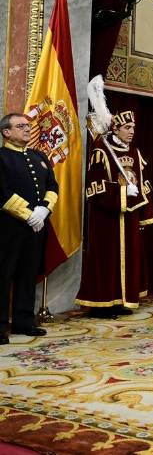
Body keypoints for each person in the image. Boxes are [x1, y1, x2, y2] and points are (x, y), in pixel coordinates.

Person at [76, 110, 153, 317]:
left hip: (130, 216)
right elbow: (94, 187)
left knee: (129, 259)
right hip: (107, 219)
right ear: (116, 129)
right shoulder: (101, 151)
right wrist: (121, 192)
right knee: (107, 260)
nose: (132, 132)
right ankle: (101, 305)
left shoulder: (135, 152)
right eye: (127, 128)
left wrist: (145, 212)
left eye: (133, 128)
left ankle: (121, 301)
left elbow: (143, 183)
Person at [0, 113, 58, 342]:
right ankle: (0, 327)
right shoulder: (1, 157)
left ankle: (23, 322)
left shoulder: (38, 156)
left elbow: (52, 186)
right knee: (3, 276)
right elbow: (2, 192)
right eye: (21, 126)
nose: (27, 129)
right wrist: (29, 214)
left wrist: (44, 209)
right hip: (8, 228)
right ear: (6, 132)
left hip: (36, 227)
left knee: (28, 274)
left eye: (28, 125)